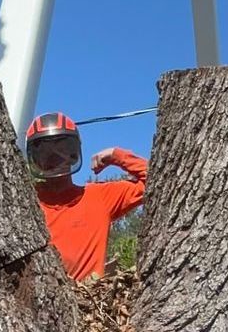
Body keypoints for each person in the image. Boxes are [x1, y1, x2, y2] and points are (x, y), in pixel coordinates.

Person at [26, 111, 147, 282]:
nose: (55, 160)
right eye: (46, 154)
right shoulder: (26, 201)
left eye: (61, 151)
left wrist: (116, 155)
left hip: (85, 300)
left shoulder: (99, 197)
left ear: (73, 155)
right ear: (36, 160)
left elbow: (155, 180)